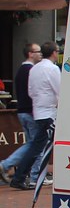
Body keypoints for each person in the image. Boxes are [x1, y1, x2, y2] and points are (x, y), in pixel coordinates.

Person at [10, 42, 61, 190]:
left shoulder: (35, 69)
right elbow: (60, 90)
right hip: (49, 112)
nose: (57, 54)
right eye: (57, 51)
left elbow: (31, 92)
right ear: (53, 53)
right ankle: (22, 177)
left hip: (38, 112)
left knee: (38, 146)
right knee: (38, 147)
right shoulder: (52, 69)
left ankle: (26, 176)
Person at [0, 43, 47, 186]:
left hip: (22, 112)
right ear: (30, 54)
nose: (40, 54)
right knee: (35, 145)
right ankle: (33, 175)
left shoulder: (21, 70)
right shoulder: (30, 70)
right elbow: (33, 93)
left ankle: (24, 172)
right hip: (30, 112)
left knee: (31, 144)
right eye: (37, 52)